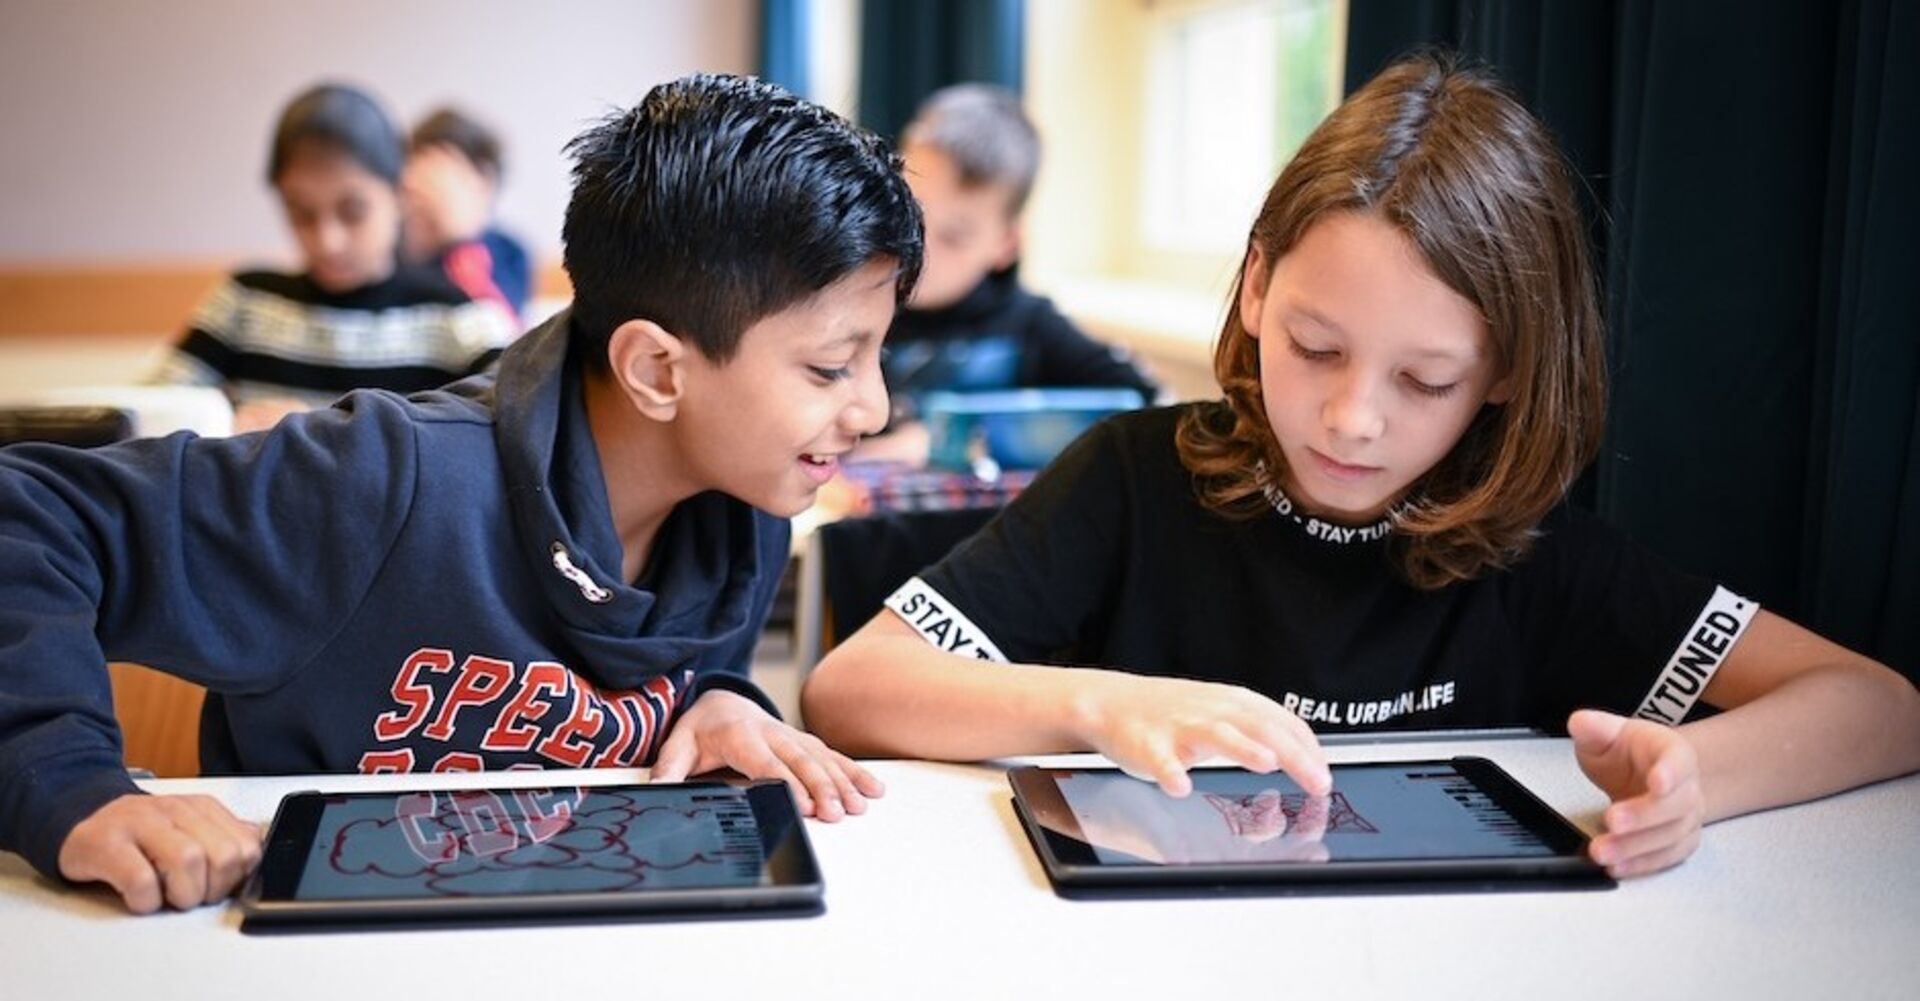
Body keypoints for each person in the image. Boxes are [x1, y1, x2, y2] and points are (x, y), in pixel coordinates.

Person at [802, 54, 1920, 879]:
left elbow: (1880, 704)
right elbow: (851, 688)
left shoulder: (1536, 553)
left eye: (1425, 380)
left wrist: (1693, 777)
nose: (1352, 419)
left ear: (1506, 371)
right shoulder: (1133, 480)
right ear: (1256, 287)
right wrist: (1103, 703)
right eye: (1315, 346)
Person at [0, 73, 918, 913]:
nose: (872, 409)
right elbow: (28, 512)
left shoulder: (743, 509)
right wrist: (72, 783)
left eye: (877, 356)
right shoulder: (386, 480)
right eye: (830, 367)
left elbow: (649, 691)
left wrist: (715, 699)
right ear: (656, 370)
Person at [150, 84, 517, 432]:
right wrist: (228, 425)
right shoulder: (245, 302)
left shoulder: (453, 317)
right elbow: (153, 416)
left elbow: (522, 418)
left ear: (400, 194)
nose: (328, 241)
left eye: (353, 212)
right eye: (302, 214)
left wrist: (318, 433)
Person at [855, 83, 1158, 465]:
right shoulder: (852, 299)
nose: (919, 246)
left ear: (1006, 244)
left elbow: (1142, 403)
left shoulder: (1030, 324)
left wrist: (949, 441)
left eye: (954, 237)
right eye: (908, 213)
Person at [402, 106, 534, 321]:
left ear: (484, 182)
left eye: (442, 174)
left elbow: (505, 327)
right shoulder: (398, 250)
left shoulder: (508, 252)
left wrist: (461, 234)